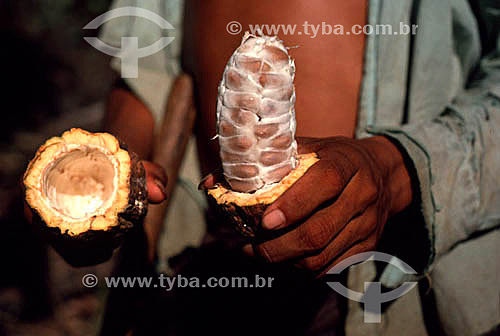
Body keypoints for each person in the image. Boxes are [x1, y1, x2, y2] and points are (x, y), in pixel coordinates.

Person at [99, 0, 500, 335]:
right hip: (205, 257)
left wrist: (395, 169)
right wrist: (106, 166)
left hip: (384, 273)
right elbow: (141, 64)